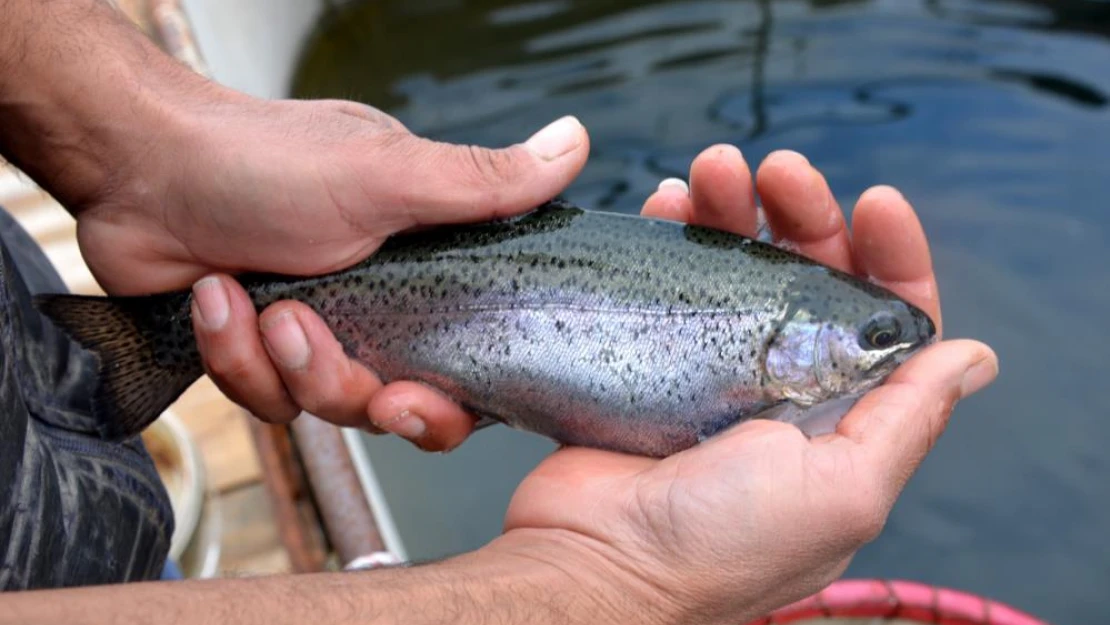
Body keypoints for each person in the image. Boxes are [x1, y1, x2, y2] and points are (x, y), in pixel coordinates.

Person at [0, 0, 998, 623]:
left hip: (87, 516)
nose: (887, 350)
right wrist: (617, 590)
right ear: (793, 341)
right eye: (870, 341)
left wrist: (140, 140)